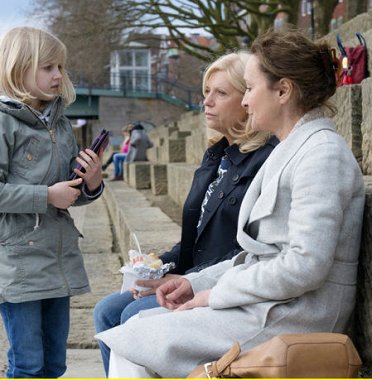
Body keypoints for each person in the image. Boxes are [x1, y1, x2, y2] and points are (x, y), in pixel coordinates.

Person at [96, 30, 365, 378]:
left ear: (283, 91)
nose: (247, 101)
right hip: (270, 305)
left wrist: (214, 293)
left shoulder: (323, 154)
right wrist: (198, 283)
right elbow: (259, 256)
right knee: (134, 333)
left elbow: (304, 266)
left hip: (294, 315)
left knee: (134, 340)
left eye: (251, 88)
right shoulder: (294, 148)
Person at [93, 51, 277, 375]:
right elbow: (192, 240)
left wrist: (186, 281)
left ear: (247, 99)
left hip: (218, 286)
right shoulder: (216, 157)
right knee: (106, 310)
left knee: (130, 317)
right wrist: (154, 269)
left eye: (220, 93)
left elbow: (252, 251)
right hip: (188, 277)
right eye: (206, 92)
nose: (206, 101)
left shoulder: (265, 161)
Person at [0, 26, 104, 378]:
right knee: (28, 364)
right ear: (18, 68)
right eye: (48, 67)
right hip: (18, 263)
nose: (58, 75)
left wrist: (91, 183)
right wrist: (46, 195)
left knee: (54, 363)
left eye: (61, 67)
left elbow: (69, 194)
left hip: (58, 259)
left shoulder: (60, 123)